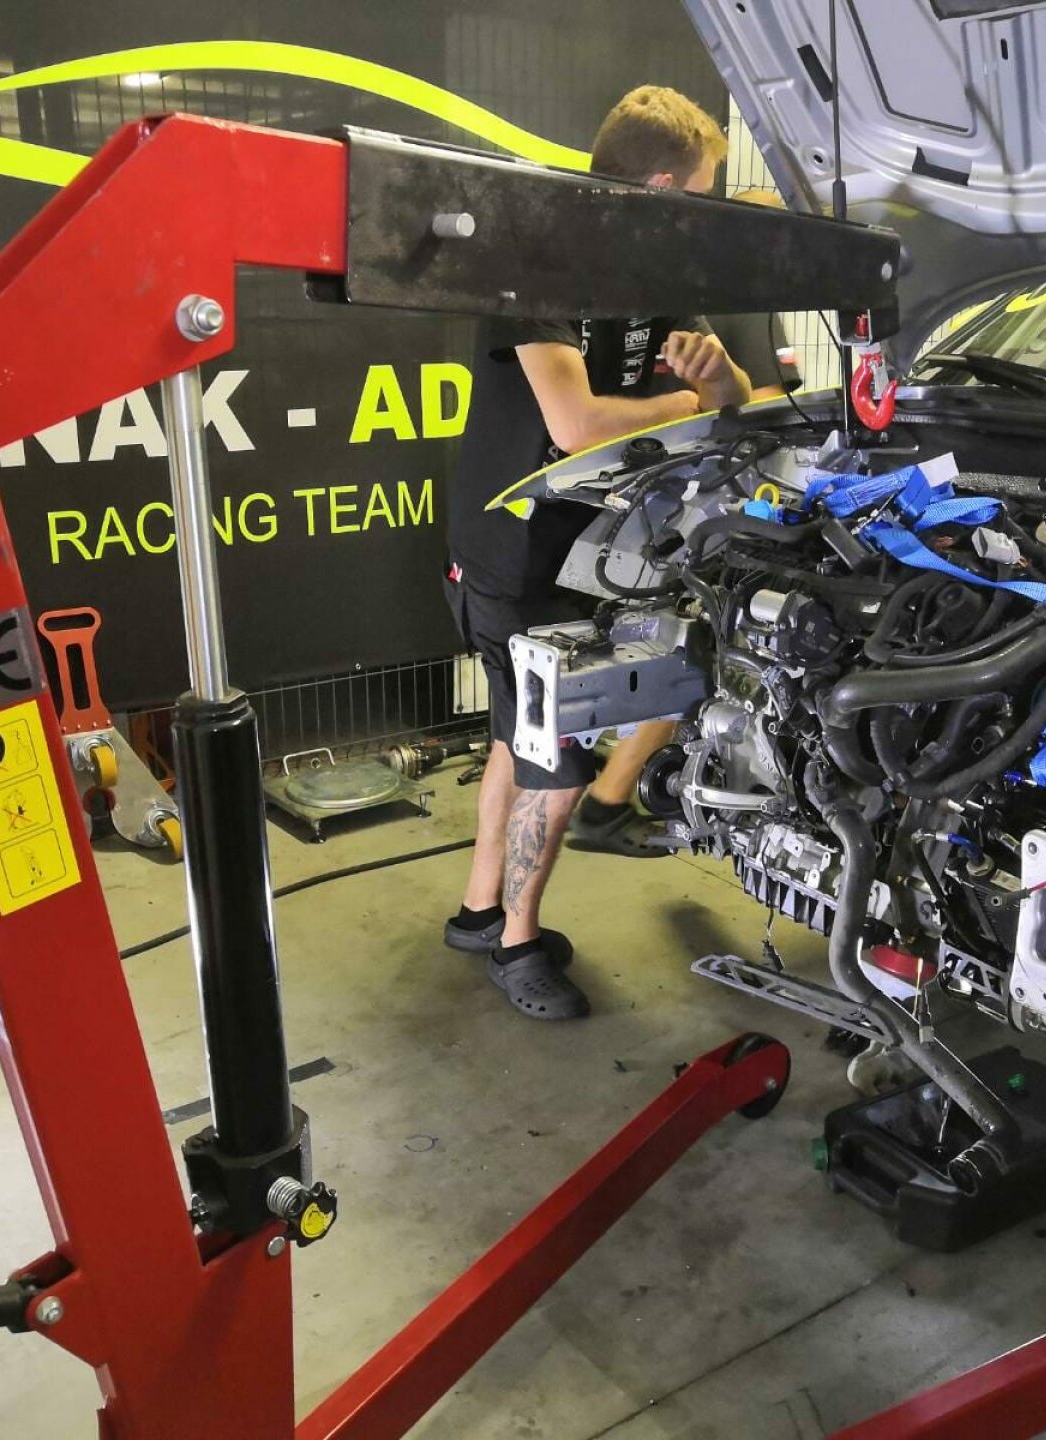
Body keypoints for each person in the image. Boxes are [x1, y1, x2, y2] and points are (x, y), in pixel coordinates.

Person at [442, 86, 751, 1021]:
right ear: (659, 187)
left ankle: (479, 912)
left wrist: (717, 381)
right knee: (554, 761)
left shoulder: (659, 283)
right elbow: (574, 424)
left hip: (594, 556)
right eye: (699, 194)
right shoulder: (536, 274)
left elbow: (736, 394)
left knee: (517, 737)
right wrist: (684, 403)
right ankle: (518, 942)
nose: (702, 213)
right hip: (513, 557)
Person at [566, 188, 805, 859]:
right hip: (714, 507)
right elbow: (765, 402)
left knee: (690, 647)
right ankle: (609, 800)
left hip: (675, 503)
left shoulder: (692, 297)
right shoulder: (736, 304)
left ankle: (610, 796)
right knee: (702, 647)